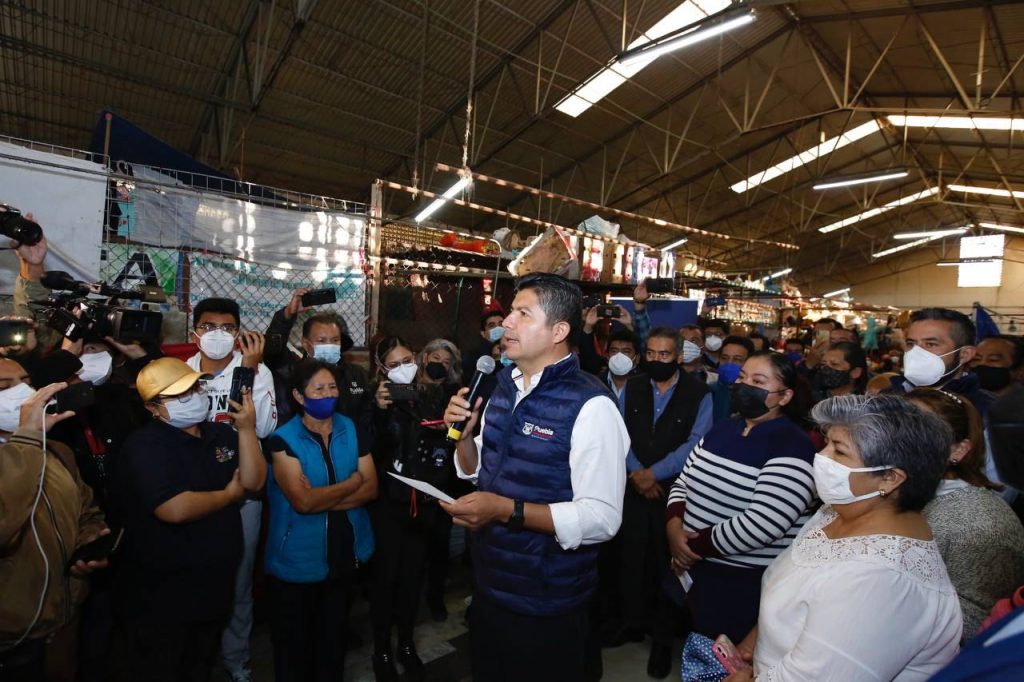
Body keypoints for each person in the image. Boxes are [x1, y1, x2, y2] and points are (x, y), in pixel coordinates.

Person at [442, 273, 629, 682]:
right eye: (511, 311)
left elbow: (601, 519)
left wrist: (504, 510)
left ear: (558, 331)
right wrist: (465, 437)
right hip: (490, 584)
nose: (506, 323)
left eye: (523, 314)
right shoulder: (502, 388)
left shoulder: (591, 405)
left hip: (548, 599)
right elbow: (478, 472)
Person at [728, 394, 962, 682]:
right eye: (826, 443)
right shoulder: (837, 510)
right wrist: (753, 644)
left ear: (889, 478)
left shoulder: (881, 581)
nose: (821, 457)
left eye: (839, 451)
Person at [112, 357, 265, 682]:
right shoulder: (145, 445)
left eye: (194, 387)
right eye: (178, 394)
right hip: (164, 591)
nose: (192, 396)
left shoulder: (220, 435)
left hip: (215, 581)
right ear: (153, 407)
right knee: (165, 666)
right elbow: (174, 508)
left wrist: (247, 429)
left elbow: (253, 481)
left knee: (200, 663)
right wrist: (228, 496)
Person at [665, 352, 816, 643]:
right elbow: (683, 482)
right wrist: (674, 530)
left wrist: (689, 547)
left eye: (758, 381)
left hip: (742, 582)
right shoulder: (723, 429)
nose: (745, 386)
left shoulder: (792, 446)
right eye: (743, 377)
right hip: (695, 570)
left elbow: (763, 523)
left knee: (726, 654)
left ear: (784, 396)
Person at [264, 360, 377, 682]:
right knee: (294, 650)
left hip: (344, 554)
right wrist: (351, 482)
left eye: (332, 387)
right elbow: (303, 503)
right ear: (299, 396)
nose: (327, 394)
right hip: (297, 562)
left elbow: (371, 488)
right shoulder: (283, 440)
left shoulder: (349, 427)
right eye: (318, 389)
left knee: (333, 644)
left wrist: (321, 497)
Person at [610, 326, 712, 677]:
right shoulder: (634, 386)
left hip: (675, 492)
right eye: (651, 353)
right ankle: (630, 623)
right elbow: (619, 433)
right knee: (630, 557)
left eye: (664, 354)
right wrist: (638, 473)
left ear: (679, 356)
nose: (657, 360)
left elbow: (696, 443)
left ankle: (662, 639)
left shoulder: (699, 393)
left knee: (666, 565)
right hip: (634, 487)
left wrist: (655, 473)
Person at [184, 297, 276, 682]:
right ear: (194, 333)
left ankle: (236, 660)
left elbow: (264, 427)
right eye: (208, 326)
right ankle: (193, 660)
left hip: (243, 490)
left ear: (238, 333)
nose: (217, 334)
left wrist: (248, 371)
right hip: (193, 491)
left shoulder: (257, 370)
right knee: (192, 578)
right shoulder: (181, 372)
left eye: (227, 327)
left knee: (239, 580)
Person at [0, 380, 108, 682]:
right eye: (4, 386)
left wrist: (90, 538)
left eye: (24, 381)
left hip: (63, 619)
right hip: (12, 638)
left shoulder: (57, 451)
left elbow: (87, 510)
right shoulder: (32, 445)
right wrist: (27, 438)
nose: (24, 394)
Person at [369, 337, 460, 681]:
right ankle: (381, 650)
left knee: (412, 577)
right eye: (394, 365)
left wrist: (452, 423)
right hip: (388, 503)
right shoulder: (376, 400)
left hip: (424, 502)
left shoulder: (432, 396)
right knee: (386, 579)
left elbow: (448, 440)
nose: (403, 368)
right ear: (381, 369)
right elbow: (370, 447)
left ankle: (406, 644)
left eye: (408, 360)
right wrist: (379, 411)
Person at [907, 388, 1024, 641]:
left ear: (958, 450)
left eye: (919, 432)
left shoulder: (980, 524)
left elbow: (976, 625)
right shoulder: (880, 492)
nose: (899, 440)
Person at [264, 289, 372, 429]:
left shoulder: (356, 374)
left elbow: (366, 419)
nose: (329, 345)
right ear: (305, 343)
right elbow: (273, 350)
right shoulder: (292, 371)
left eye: (335, 340)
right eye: (321, 340)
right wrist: (288, 314)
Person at [894, 307, 993, 414]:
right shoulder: (889, 397)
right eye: (911, 344)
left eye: (931, 344)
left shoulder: (986, 410)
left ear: (965, 354)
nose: (916, 352)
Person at [709, 335, 754, 423]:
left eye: (737, 359)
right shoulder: (708, 391)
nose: (729, 363)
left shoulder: (754, 396)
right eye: (724, 358)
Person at [462, 309, 504, 379]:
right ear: (483, 333)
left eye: (501, 324)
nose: (498, 328)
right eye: (492, 326)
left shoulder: (515, 352)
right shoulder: (472, 357)